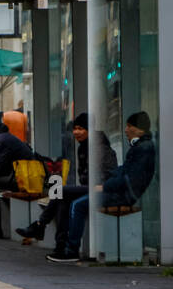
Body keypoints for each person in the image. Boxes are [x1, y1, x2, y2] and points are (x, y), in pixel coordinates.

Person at [49, 111, 156, 262]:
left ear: (139, 129)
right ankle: (55, 238)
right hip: (118, 191)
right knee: (64, 197)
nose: (126, 130)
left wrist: (105, 186)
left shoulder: (142, 149)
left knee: (77, 205)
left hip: (123, 194)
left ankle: (70, 249)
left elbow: (128, 177)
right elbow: (123, 171)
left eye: (129, 126)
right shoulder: (139, 147)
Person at [16, 113, 117, 248]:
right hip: (88, 187)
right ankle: (61, 244)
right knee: (63, 200)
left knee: (60, 191)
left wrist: (100, 185)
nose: (76, 132)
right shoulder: (83, 147)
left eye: (81, 128)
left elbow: (109, 173)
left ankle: (40, 225)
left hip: (100, 189)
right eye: (75, 128)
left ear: (89, 129)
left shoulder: (100, 147)